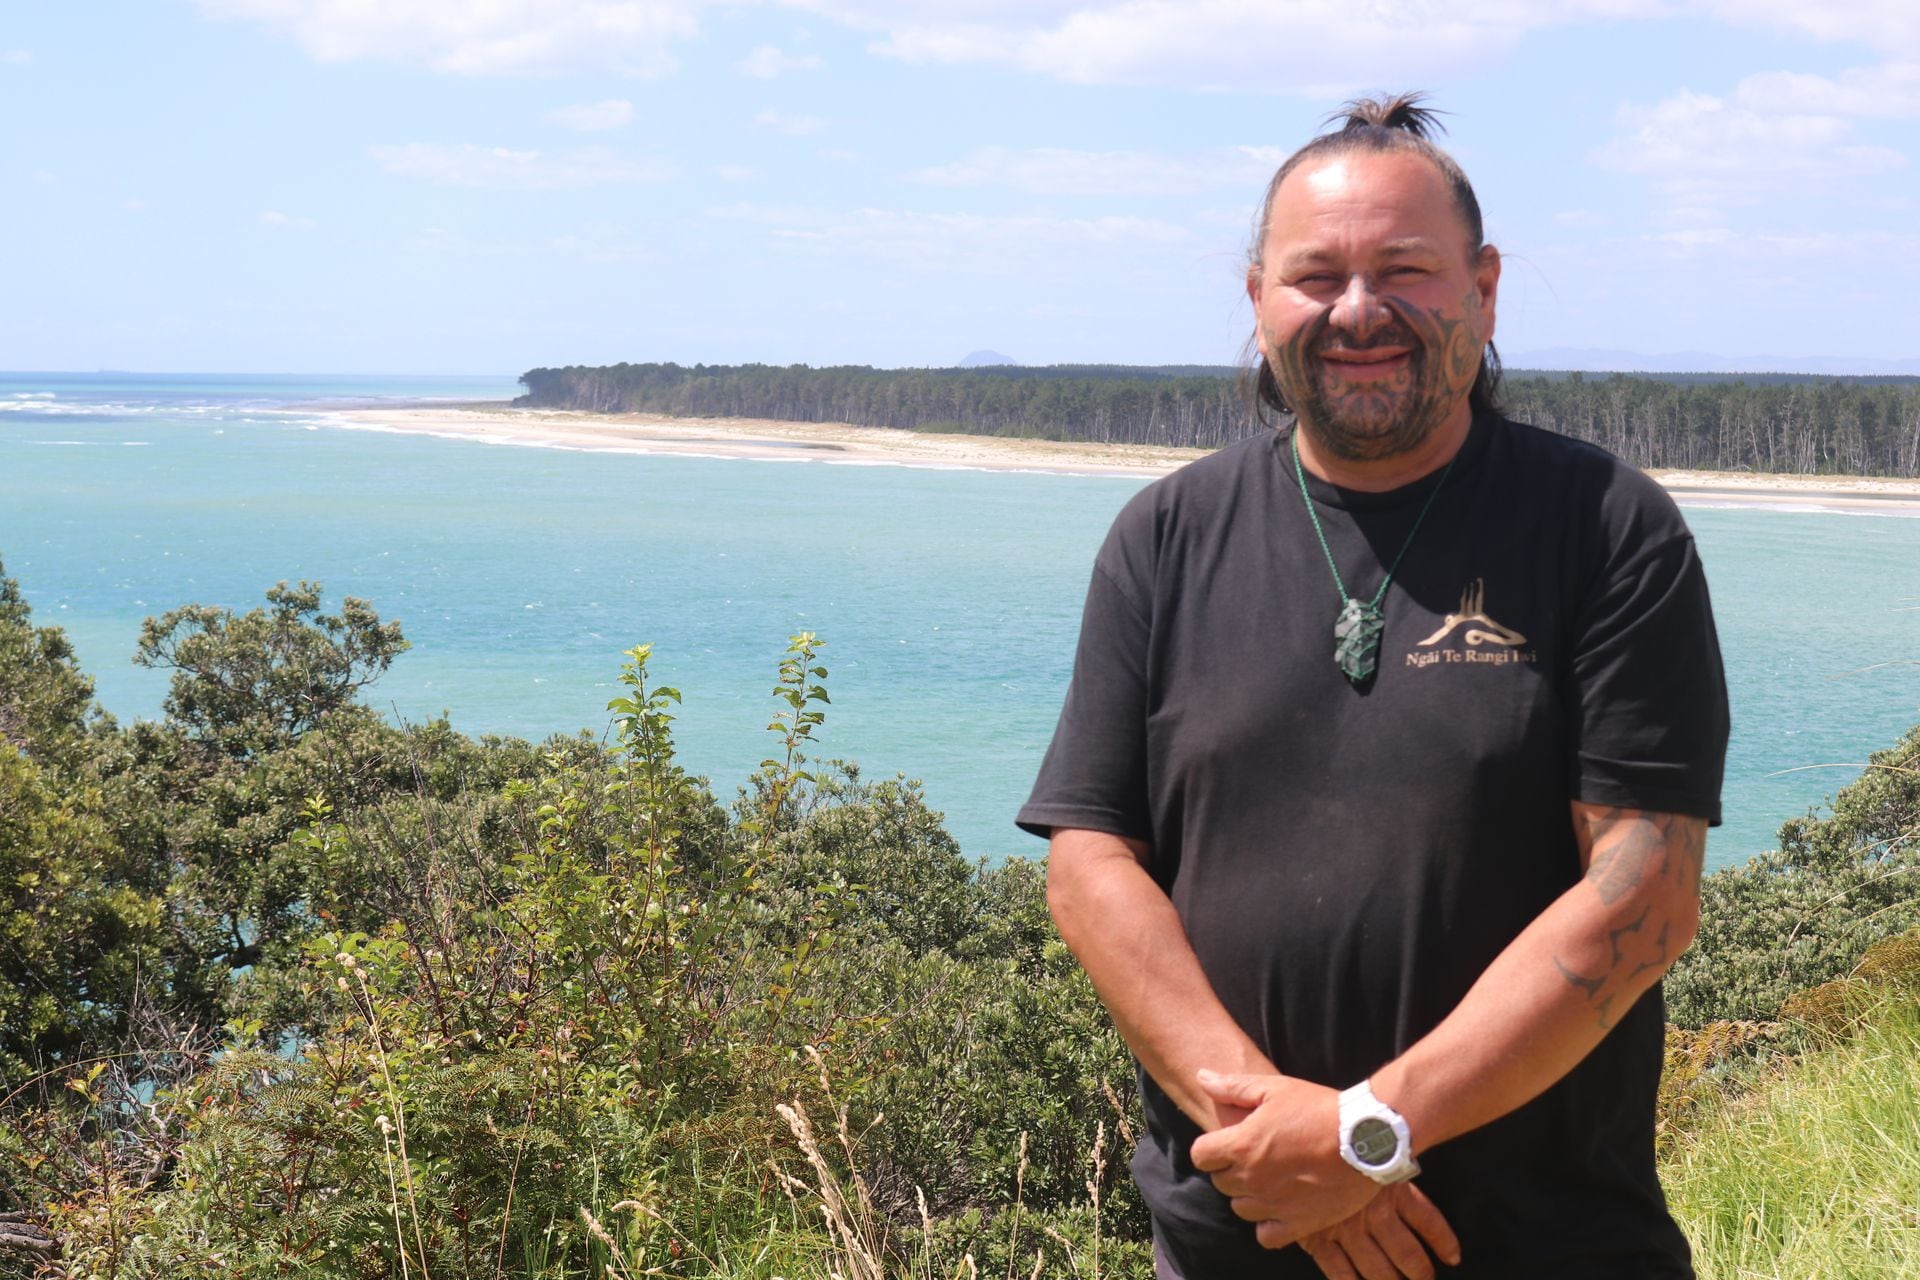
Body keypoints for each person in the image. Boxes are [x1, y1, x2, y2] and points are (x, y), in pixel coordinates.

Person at [1017, 93, 1729, 1280]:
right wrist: (1282, 1143)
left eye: (1406, 267)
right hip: (1237, 1238)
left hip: (1540, 1248)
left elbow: (1643, 895)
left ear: (1485, 288)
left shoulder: (1606, 530)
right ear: (1258, 300)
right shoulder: (1165, 536)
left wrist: (1366, 1134)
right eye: (1316, 276)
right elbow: (1092, 866)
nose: (1359, 310)